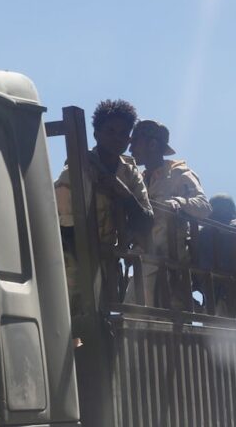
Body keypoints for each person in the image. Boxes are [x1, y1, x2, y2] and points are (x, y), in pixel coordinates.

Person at [55, 100, 153, 312]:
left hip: (109, 266)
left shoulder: (129, 174)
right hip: (71, 267)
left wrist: (124, 195)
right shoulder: (75, 170)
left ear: (129, 139)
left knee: (106, 332)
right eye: (110, 130)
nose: (117, 137)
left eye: (123, 133)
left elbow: (146, 220)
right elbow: (64, 228)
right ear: (97, 133)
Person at [128, 120, 211, 307]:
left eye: (135, 142)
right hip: (144, 258)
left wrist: (178, 203)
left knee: (164, 323)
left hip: (171, 264)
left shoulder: (179, 174)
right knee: (134, 319)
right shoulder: (139, 180)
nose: (130, 148)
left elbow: (203, 207)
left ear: (152, 144)